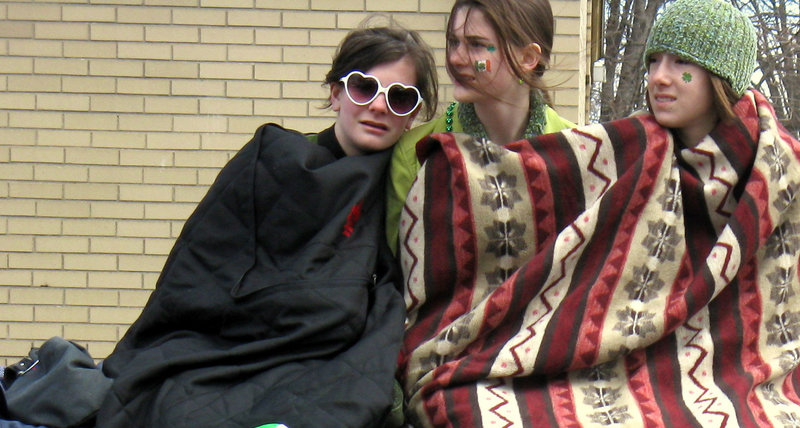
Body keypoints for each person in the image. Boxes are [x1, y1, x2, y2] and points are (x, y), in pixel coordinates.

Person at [397, 0, 800, 426]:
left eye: (682, 63)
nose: (659, 77)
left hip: (732, 365)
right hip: (603, 363)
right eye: (654, 61)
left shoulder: (777, 172)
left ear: (721, 77)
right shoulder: (626, 149)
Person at [94, 23, 437, 428]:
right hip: (228, 348)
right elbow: (203, 268)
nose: (379, 107)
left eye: (399, 98)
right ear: (335, 93)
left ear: (413, 113)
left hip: (330, 359)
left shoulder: (413, 185)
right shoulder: (270, 163)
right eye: (364, 88)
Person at [385, 0, 575, 254]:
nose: (455, 58)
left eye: (475, 44)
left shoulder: (575, 152)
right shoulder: (416, 154)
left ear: (528, 58)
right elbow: (398, 274)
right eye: (454, 42)